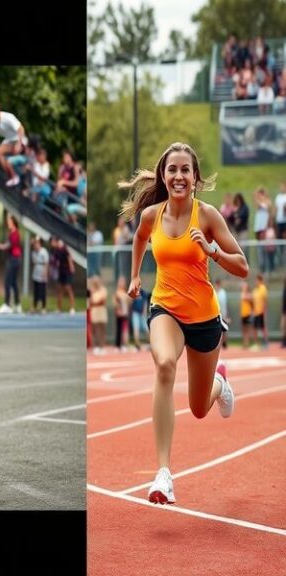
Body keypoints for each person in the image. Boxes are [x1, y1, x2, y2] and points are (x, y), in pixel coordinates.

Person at [120, 142, 248, 505]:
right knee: (163, 364)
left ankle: (220, 383)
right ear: (164, 175)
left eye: (185, 170)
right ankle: (163, 473)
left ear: (195, 178)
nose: (178, 176)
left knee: (197, 408)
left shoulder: (207, 216)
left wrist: (213, 252)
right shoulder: (152, 216)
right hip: (166, 309)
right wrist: (134, 277)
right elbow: (140, 239)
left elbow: (243, 265)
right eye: (172, 169)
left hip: (205, 319)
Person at [0, 215, 22, 314]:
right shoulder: (12, 233)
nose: (8, 223)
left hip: (14, 260)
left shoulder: (15, 233)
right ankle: (18, 305)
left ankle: (7, 305)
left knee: (7, 282)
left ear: (13, 222)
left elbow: (9, 245)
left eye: (9, 221)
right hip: (14, 259)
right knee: (13, 283)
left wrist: (0, 246)